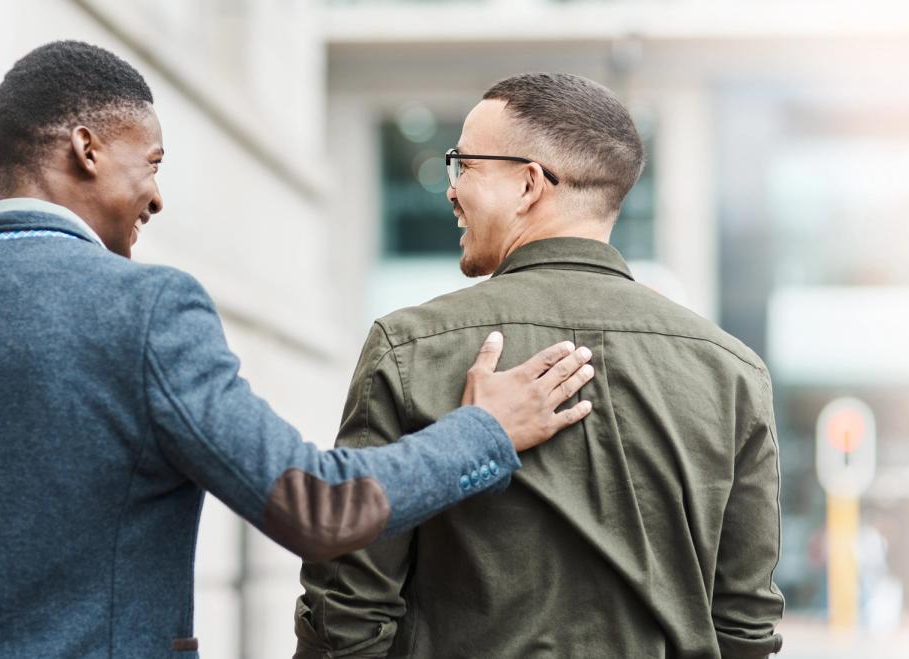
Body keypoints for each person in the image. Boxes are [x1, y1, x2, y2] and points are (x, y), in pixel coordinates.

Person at [0, 44, 598, 658]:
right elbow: (316, 507)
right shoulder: (148, 312)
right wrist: (484, 430)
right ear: (85, 147)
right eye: (149, 161)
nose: (156, 195)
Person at [295, 73, 784, 658]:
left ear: (529, 184)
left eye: (464, 166)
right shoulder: (732, 373)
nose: (450, 190)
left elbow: (348, 608)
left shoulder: (411, 348)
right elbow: (745, 624)